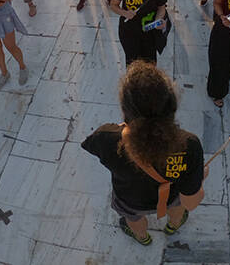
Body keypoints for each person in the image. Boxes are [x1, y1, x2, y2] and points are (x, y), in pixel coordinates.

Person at [81, 61, 207, 246]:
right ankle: (173, 225)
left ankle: (143, 238)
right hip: (170, 197)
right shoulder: (189, 145)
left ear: (124, 110)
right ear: (172, 107)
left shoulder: (106, 138)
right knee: (178, 207)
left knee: (133, 219)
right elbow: (191, 203)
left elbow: (90, 145)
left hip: (131, 200)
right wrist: (199, 178)